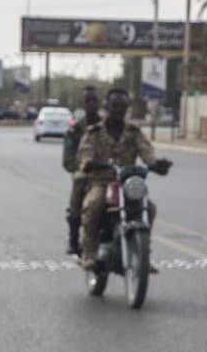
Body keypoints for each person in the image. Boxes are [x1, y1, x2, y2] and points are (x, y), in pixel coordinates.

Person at [76, 88, 171, 271]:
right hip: (101, 183)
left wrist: (157, 163)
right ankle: (88, 252)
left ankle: (143, 254)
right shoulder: (94, 132)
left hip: (127, 183)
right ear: (107, 107)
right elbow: (84, 157)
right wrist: (90, 163)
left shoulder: (134, 131)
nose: (119, 109)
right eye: (115, 105)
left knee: (149, 208)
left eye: (123, 105)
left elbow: (147, 152)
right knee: (93, 204)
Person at [62, 85, 102, 255]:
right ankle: (73, 239)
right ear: (82, 103)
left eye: (94, 100)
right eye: (87, 101)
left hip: (107, 171)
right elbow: (68, 159)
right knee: (79, 180)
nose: (91, 104)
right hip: (85, 171)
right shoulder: (75, 129)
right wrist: (81, 168)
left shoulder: (108, 125)